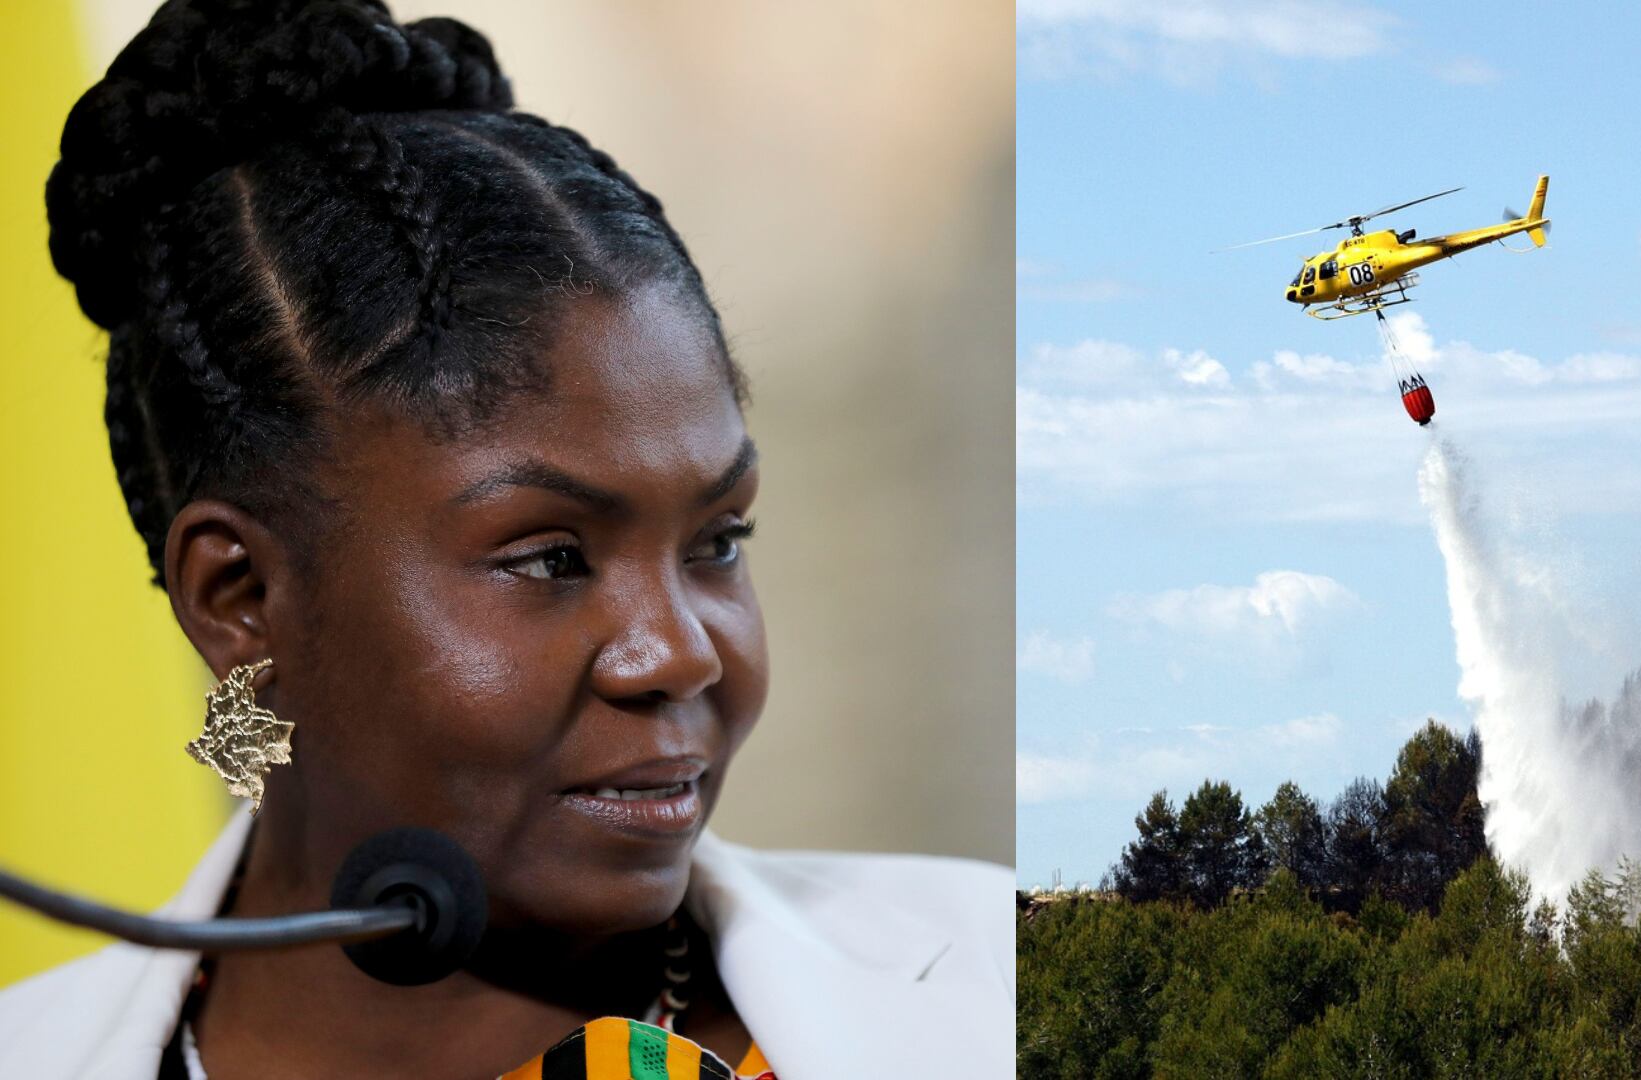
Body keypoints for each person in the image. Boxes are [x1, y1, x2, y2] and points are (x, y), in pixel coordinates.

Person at [0, 1, 1012, 1076]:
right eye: (551, 559)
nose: (682, 653)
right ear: (241, 597)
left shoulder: (1001, 981)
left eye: (718, 540)